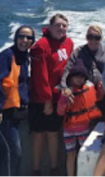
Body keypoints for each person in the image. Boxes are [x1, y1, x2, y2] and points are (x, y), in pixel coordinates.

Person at [0, 25, 35, 176]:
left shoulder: (24, 58)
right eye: (21, 36)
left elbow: (21, 83)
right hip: (2, 114)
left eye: (29, 38)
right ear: (16, 38)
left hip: (15, 112)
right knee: (14, 152)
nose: (25, 40)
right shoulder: (6, 55)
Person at [29, 13, 74, 175]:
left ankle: (54, 169)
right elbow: (40, 76)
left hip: (59, 97)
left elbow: (69, 68)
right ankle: (36, 171)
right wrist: (46, 100)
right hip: (41, 99)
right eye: (58, 25)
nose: (61, 28)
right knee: (39, 135)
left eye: (64, 25)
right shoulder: (41, 46)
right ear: (50, 27)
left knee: (54, 133)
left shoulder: (68, 43)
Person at [57, 61, 102, 176]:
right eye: (76, 76)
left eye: (81, 76)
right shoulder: (67, 93)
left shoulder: (89, 87)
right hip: (69, 130)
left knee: (84, 154)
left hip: (84, 128)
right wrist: (63, 98)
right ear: (71, 77)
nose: (79, 79)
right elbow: (60, 111)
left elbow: (98, 99)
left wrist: (101, 89)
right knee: (71, 155)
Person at [60, 24, 105, 120]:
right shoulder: (78, 52)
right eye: (90, 37)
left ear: (101, 38)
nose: (93, 41)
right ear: (86, 37)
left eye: (97, 38)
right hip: (85, 93)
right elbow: (68, 70)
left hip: (104, 94)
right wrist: (64, 87)